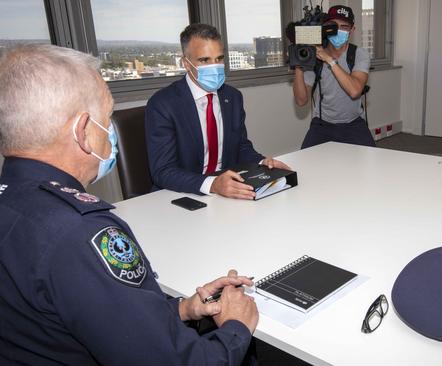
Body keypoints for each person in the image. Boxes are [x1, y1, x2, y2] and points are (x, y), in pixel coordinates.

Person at [0, 44, 258, 365]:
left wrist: (181, 308)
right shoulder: (82, 233)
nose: (110, 132)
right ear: (82, 131)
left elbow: (90, 316)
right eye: (106, 117)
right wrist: (236, 327)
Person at [146, 24, 289, 200]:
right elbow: (163, 171)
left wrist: (263, 162)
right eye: (204, 60)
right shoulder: (163, 104)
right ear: (186, 63)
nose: (214, 67)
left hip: (227, 190)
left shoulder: (232, 97)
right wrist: (212, 185)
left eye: (219, 58)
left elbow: (241, 146)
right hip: (180, 194)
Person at [292, 5, 375, 149]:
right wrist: (298, 63)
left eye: (344, 26)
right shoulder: (315, 57)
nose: (339, 30)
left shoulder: (358, 54)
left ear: (352, 30)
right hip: (322, 124)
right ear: (325, 28)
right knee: (305, 166)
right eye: (334, 26)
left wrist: (329, 60)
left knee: (370, 164)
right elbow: (301, 101)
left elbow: (354, 91)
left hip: (353, 123)